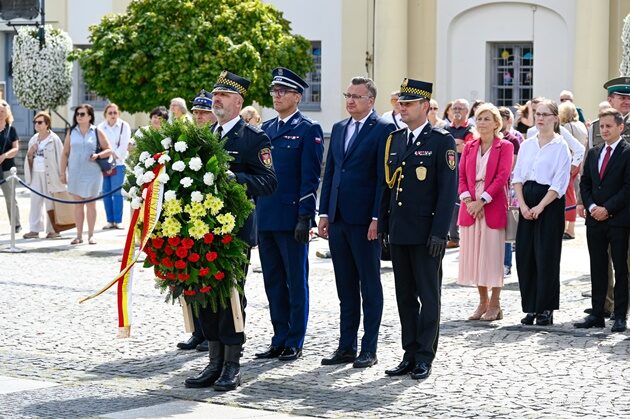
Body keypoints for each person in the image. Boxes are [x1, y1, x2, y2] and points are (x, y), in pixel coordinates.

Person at [184, 71, 277, 391]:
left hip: (234, 232)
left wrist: (232, 179)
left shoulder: (254, 139)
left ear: (238, 102)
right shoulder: (204, 134)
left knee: (231, 297)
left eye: (223, 96)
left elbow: (269, 181)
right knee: (204, 295)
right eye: (215, 94)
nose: (216, 99)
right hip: (202, 229)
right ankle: (213, 362)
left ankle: (232, 365)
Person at [379, 78, 457, 380]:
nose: (402, 107)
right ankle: (409, 352)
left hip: (427, 234)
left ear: (425, 106)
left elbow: (447, 191)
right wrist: (385, 227)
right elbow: (387, 187)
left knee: (428, 295)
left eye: (409, 103)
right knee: (405, 296)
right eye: (401, 102)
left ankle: (425, 355)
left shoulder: (441, 141)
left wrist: (440, 233)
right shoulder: (395, 139)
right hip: (400, 231)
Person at [318, 77, 394, 369]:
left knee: (369, 285)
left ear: (371, 100)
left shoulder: (383, 128)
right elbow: (332, 173)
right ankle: (346, 346)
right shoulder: (338, 128)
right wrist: (324, 212)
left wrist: (377, 217)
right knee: (345, 286)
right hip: (338, 218)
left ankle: (369, 348)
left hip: (365, 221)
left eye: (357, 97)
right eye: (348, 95)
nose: (350, 101)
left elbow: (382, 179)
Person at [254, 67, 324, 362]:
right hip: (267, 216)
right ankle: (278, 336)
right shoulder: (265, 131)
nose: (277, 95)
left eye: (283, 91)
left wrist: (305, 217)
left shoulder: (308, 130)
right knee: (272, 281)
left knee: (296, 282)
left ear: (297, 96)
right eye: (274, 91)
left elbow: (310, 178)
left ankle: (295, 339)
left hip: (291, 217)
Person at [512, 99, 571, 326]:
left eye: (546, 114)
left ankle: (546, 307)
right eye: (538, 113)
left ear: (555, 119)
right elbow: (517, 177)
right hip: (526, 200)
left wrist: (540, 206)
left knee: (546, 256)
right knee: (525, 256)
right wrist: (524, 206)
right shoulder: (527, 144)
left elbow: (559, 183)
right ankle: (531, 306)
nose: (540, 118)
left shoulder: (560, 146)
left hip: (549, 203)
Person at [578, 77, 630, 321]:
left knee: (624, 265)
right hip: (596, 211)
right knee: (599, 265)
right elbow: (586, 173)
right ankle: (603, 308)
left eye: (629, 98)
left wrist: (608, 208)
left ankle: (622, 310)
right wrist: (585, 203)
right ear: (611, 99)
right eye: (622, 97)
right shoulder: (595, 128)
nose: (627, 101)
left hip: (622, 211)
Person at [457, 104, 513, 321]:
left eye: (487, 119)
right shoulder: (470, 146)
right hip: (470, 205)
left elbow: (502, 176)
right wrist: (469, 200)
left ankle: (496, 303)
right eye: (479, 119)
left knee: (492, 256)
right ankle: (482, 302)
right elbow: (461, 176)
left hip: (492, 203)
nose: (482, 123)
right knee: (476, 256)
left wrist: (482, 201)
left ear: (496, 123)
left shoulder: (505, 146)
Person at [60, 105, 112, 245]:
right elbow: (65, 153)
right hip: (75, 172)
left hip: (92, 173)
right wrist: (62, 173)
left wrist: (98, 155)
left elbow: (109, 150)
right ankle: (78, 235)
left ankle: (91, 235)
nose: (79, 116)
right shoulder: (71, 131)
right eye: (77, 114)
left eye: (82, 114)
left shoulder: (97, 131)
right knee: (77, 205)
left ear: (90, 116)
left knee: (90, 204)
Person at [22, 112, 65, 239]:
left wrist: (62, 175)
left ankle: (53, 230)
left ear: (47, 124)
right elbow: (29, 158)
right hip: (36, 174)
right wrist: (30, 153)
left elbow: (61, 157)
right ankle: (34, 229)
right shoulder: (33, 139)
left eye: (40, 122)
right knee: (35, 201)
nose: (37, 124)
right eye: (35, 122)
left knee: (50, 202)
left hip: (51, 175)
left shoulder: (54, 139)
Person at [445, 99, 474, 249]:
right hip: (446, 170)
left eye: (460, 108)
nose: (457, 111)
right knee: (446, 203)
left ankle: (455, 237)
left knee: (458, 204)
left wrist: (455, 145)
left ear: (467, 112)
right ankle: (450, 236)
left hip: (463, 172)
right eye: (454, 108)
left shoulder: (470, 129)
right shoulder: (445, 127)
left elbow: (466, 148)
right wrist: (456, 143)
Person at [498, 107, 522, 276]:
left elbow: (511, 166)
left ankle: (506, 263)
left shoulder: (512, 139)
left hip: (508, 186)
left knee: (507, 226)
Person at [98, 103, 131, 230]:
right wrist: (104, 157)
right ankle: (109, 220)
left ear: (118, 114)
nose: (112, 115)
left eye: (115, 113)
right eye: (110, 113)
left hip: (118, 163)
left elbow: (123, 146)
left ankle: (118, 220)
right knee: (106, 192)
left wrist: (111, 155)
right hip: (103, 164)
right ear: (105, 114)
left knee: (117, 193)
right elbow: (99, 144)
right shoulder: (100, 127)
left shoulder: (124, 126)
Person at [559, 101, 588, 239]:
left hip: (570, 162)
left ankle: (569, 229)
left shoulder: (566, 127)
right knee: (572, 192)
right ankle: (569, 227)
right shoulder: (581, 125)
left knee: (569, 193)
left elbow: (569, 146)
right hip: (579, 161)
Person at [0, 100, 21, 233]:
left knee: (10, 198)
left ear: (7, 113)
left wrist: (4, 155)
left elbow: (16, 148)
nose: (0, 114)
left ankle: (16, 224)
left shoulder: (11, 129)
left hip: (7, 168)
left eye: (2, 111)